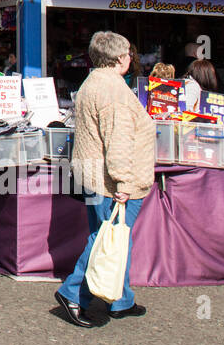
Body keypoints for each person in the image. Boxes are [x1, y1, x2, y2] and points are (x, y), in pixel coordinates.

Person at [55, 31, 156, 328]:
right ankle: (73, 294)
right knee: (106, 240)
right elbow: (119, 141)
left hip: (92, 175)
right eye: (129, 54)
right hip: (110, 180)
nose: (131, 58)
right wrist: (124, 183)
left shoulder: (92, 82)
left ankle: (121, 300)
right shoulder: (115, 91)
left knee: (112, 238)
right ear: (121, 58)